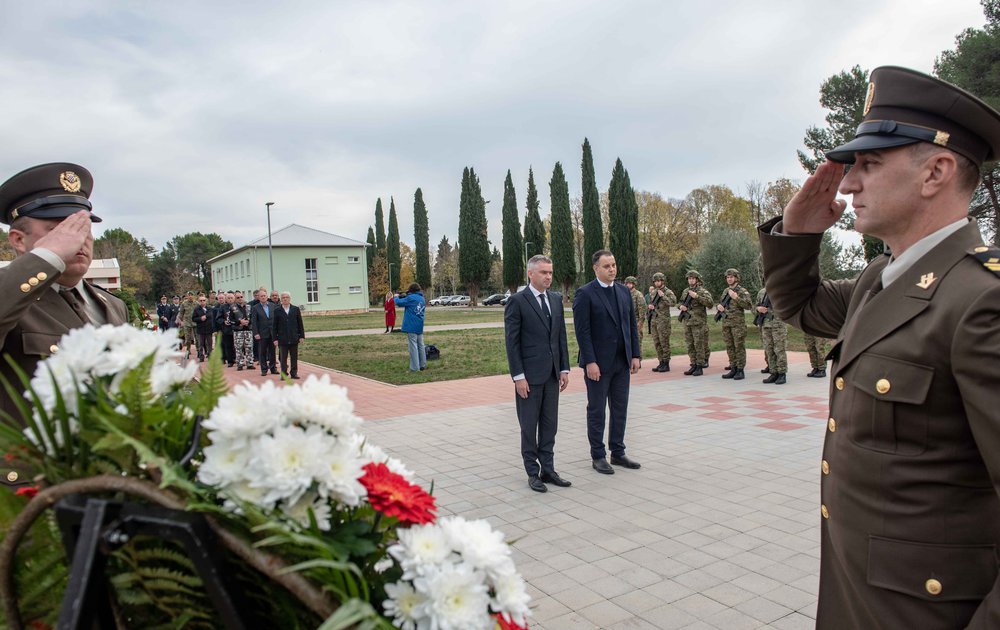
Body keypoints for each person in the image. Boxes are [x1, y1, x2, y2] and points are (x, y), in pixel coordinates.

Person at [759, 65, 1000, 628]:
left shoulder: (980, 302)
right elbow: (803, 306)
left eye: (868, 165)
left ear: (935, 172)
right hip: (858, 598)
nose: (847, 184)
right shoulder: (881, 278)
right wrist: (798, 233)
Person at [0, 162, 128, 486]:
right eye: (60, 229)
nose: (78, 240)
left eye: (83, 228)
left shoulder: (112, 306)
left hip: (104, 482)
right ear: (18, 239)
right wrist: (48, 257)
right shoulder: (13, 297)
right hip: (30, 490)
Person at [504, 255, 571, 493]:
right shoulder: (517, 301)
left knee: (549, 426)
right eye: (544, 272)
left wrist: (564, 368)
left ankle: (549, 470)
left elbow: (560, 336)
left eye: (551, 272)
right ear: (531, 274)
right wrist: (518, 377)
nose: (548, 277)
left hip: (552, 375)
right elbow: (512, 343)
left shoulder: (555, 300)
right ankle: (533, 472)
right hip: (529, 378)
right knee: (529, 426)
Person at [572, 250, 641, 475]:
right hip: (598, 366)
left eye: (613, 265)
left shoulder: (623, 292)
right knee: (597, 410)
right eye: (606, 266)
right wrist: (590, 361)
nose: (612, 269)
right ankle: (598, 455)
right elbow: (583, 332)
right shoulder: (585, 294)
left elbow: (631, 325)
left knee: (620, 408)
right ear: (596, 269)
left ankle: (618, 452)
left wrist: (635, 355)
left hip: (622, 362)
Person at [716, 268, 752, 380]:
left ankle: (740, 370)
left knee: (739, 346)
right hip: (726, 323)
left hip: (738, 324)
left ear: (736, 278)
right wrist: (719, 307)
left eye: (731, 277)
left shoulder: (742, 291)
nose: (729, 279)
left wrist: (736, 298)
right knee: (730, 346)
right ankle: (733, 368)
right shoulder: (725, 291)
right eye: (728, 277)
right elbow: (722, 303)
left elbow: (748, 305)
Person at [677, 270, 713, 376]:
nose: (691, 280)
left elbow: (710, 303)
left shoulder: (702, 291)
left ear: (697, 279)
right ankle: (693, 364)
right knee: (690, 344)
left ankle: (699, 366)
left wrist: (697, 296)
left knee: (699, 345)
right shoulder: (685, 291)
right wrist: (680, 307)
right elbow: (679, 302)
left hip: (698, 323)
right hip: (687, 322)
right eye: (689, 278)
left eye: (693, 278)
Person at [754, 287, 787, 384]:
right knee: (769, 350)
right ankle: (773, 372)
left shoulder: (783, 291)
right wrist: (758, 309)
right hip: (766, 326)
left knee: (779, 350)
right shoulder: (762, 292)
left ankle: (782, 373)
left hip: (778, 326)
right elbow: (754, 307)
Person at [647, 272, 677, 372]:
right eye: (655, 281)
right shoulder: (653, 292)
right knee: (657, 342)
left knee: (664, 342)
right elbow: (652, 303)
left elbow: (673, 303)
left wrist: (663, 296)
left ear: (662, 281)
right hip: (654, 320)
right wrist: (650, 306)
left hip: (663, 321)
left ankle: (666, 363)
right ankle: (661, 362)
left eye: (658, 281)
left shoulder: (668, 292)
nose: (657, 283)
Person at [394, 283, 426, 372]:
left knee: (413, 347)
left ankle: (415, 368)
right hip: (419, 324)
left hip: (411, 325)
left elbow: (399, 303)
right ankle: (422, 364)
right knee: (421, 345)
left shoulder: (411, 298)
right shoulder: (422, 298)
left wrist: (396, 296)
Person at [272, 291, 305, 379]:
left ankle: (294, 373)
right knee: (283, 358)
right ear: (281, 299)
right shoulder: (277, 310)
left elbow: (300, 323)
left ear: (290, 299)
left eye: (287, 297)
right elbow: (274, 326)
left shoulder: (295, 309)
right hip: (282, 339)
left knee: (294, 357)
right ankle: (284, 374)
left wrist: (301, 336)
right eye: (283, 297)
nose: (285, 299)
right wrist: (275, 339)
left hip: (294, 337)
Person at [251, 289, 278, 376]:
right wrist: (256, 333)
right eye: (261, 296)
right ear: (258, 297)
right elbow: (254, 322)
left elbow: (276, 320)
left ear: (267, 297)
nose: (263, 297)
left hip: (272, 333)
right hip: (262, 334)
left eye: (264, 296)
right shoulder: (255, 308)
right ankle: (264, 369)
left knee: (272, 352)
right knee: (262, 352)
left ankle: (273, 368)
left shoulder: (273, 306)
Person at [229, 291, 254, 371]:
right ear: (235, 299)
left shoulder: (249, 306)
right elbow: (230, 320)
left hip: (248, 330)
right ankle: (240, 364)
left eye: (241, 297)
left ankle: (250, 363)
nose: (240, 299)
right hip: (238, 331)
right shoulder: (233, 307)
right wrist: (239, 322)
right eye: (238, 298)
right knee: (238, 348)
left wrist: (248, 322)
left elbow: (253, 317)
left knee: (249, 347)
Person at [623, 276, 646, 346]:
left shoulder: (638, 295)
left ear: (634, 284)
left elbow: (642, 309)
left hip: (636, 322)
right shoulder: (624, 293)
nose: (628, 285)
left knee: (637, 344)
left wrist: (640, 322)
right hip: (626, 322)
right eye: (627, 283)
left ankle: (639, 357)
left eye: (630, 283)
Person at [176, 291, 197, 359]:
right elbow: (181, 313)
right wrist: (180, 321)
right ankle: (188, 351)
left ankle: (199, 351)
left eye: (191, 295)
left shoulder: (196, 303)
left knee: (197, 339)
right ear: (187, 296)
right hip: (187, 323)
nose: (190, 296)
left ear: (193, 296)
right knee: (187, 339)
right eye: (189, 295)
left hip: (195, 323)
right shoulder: (184, 303)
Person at [192, 295, 213, 362]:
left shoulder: (209, 308)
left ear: (206, 301)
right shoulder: (196, 309)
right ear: (199, 302)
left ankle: (210, 355)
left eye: (203, 300)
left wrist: (205, 316)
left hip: (209, 328)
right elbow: (193, 318)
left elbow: (211, 314)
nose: (202, 302)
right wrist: (200, 318)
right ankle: (201, 356)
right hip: (201, 329)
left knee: (209, 343)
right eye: (201, 301)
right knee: (201, 344)